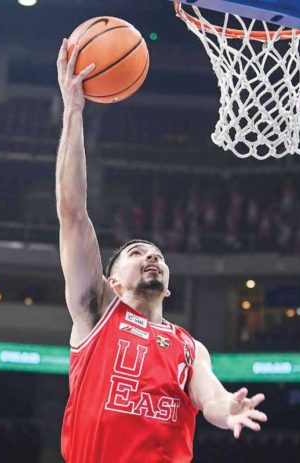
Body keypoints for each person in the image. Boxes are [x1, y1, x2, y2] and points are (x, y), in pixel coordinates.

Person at [55, 38, 267, 463]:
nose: (152, 256)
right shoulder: (98, 310)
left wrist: (230, 410)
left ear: (168, 287)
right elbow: (73, 213)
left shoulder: (189, 347)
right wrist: (73, 111)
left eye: (158, 255)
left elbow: (212, 398)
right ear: (112, 280)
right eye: (136, 252)